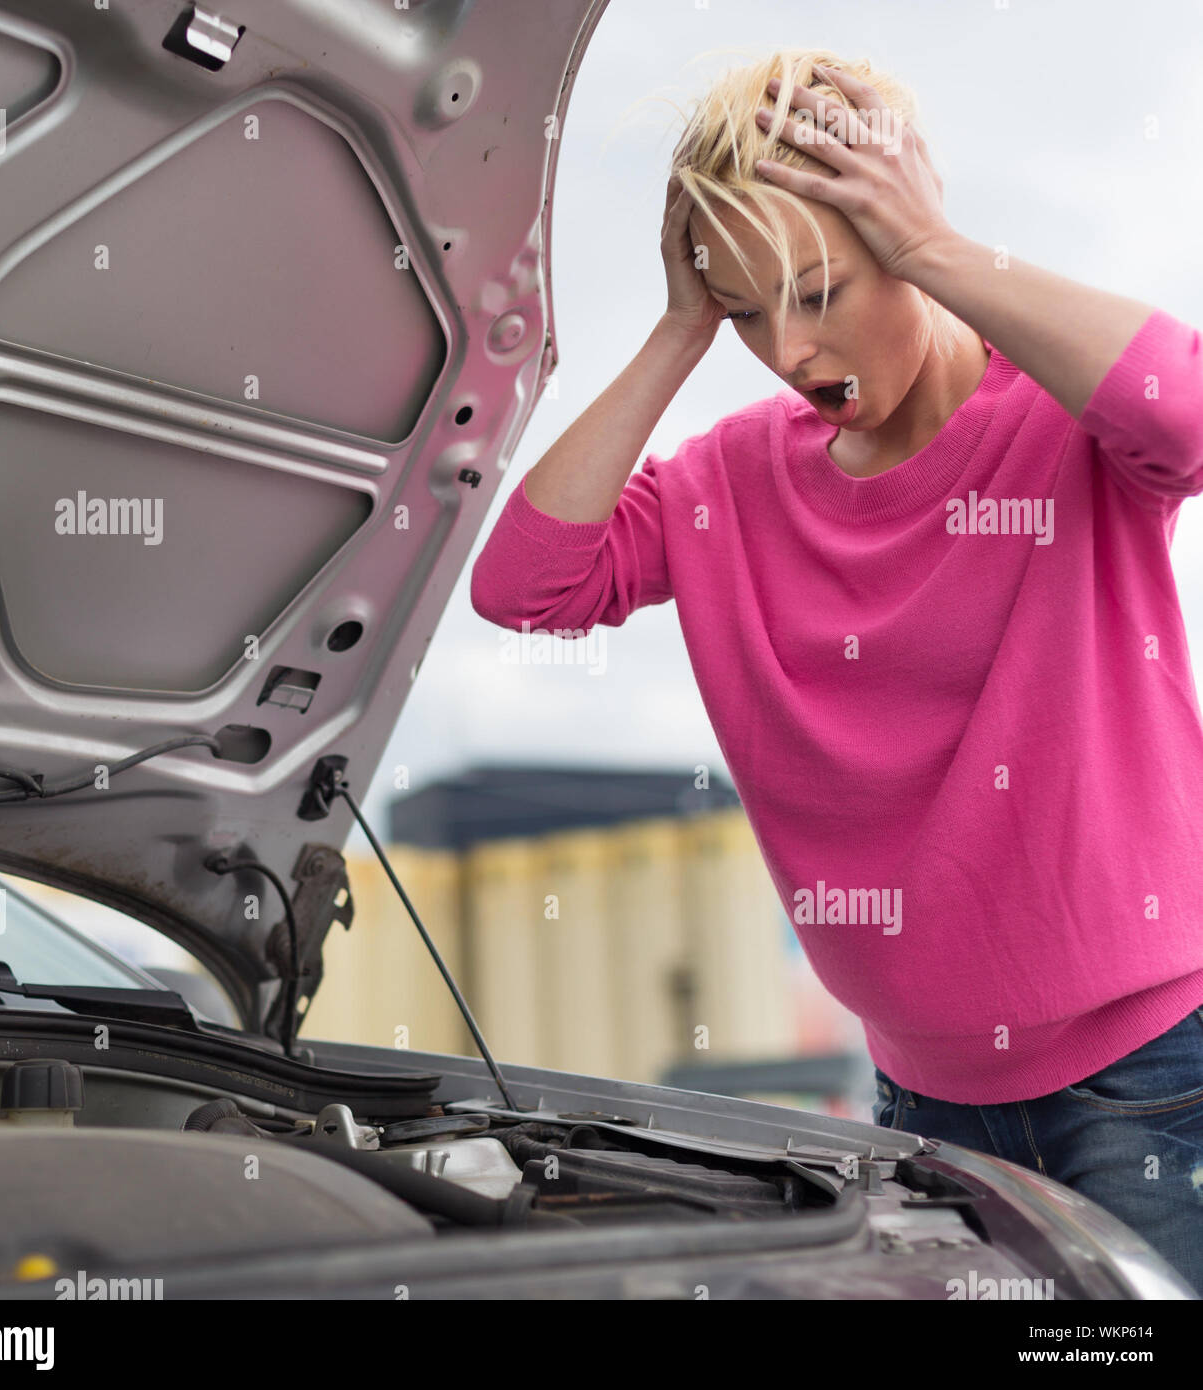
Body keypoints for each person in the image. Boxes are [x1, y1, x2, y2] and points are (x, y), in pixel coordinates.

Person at [470, 47, 1203, 1293]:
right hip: (922, 1096)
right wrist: (675, 332)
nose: (787, 349)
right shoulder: (730, 482)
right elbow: (522, 583)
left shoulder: (1055, 424)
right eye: (749, 311)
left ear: (904, 242)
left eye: (818, 291)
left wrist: (937, 249)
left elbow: (1183, 416)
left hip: (1153, 1084)